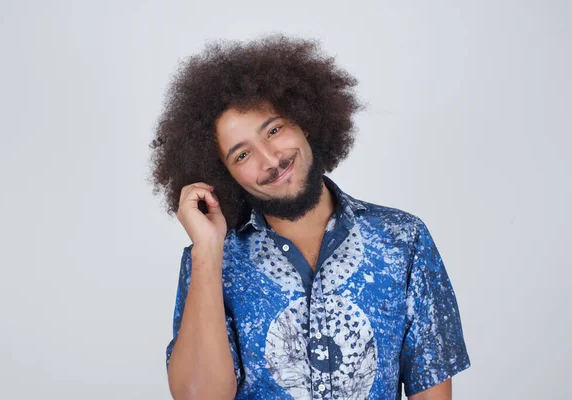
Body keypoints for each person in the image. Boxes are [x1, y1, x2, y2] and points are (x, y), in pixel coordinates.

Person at [149, 34, 471, 400]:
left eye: (274, 130)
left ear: (303, 122)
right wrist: (207, 250)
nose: (270, 160)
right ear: (223, 176)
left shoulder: (402, 239)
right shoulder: (212, 261)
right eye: (241, 155)